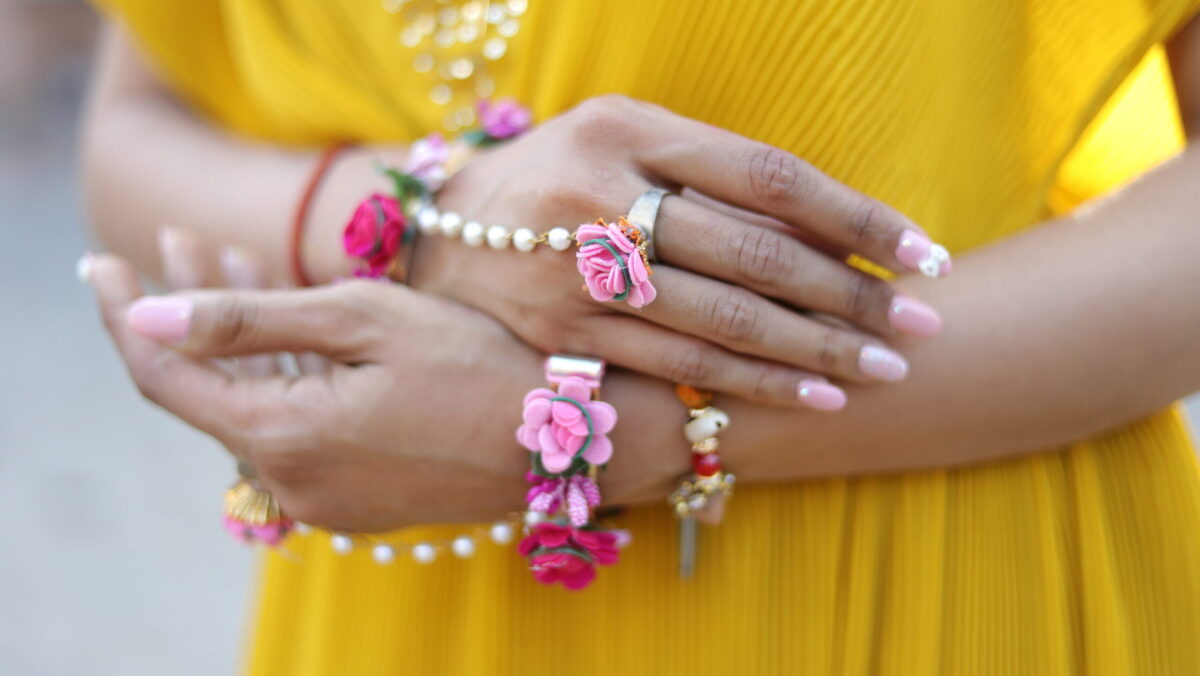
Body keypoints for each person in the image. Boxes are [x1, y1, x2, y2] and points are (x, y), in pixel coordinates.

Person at [82, 1, 1200, 673]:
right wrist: (437, 220)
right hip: (398, 570)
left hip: (934, 558)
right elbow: (134, 131)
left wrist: (616, 433)